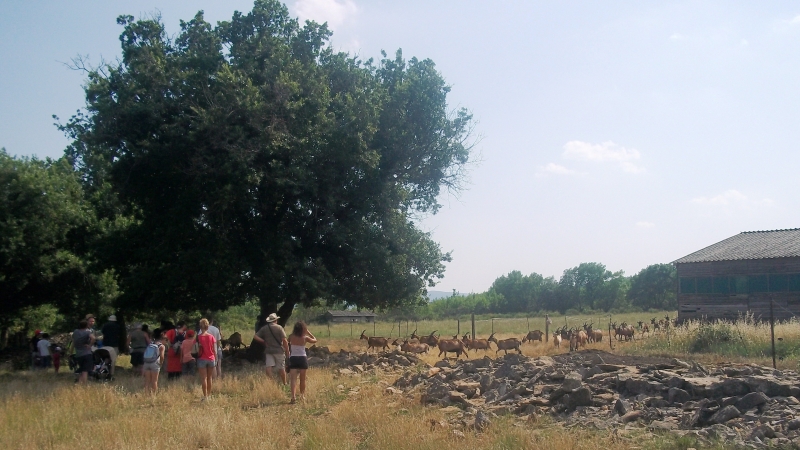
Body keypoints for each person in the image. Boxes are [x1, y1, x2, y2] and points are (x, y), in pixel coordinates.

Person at [253, 313, 289, 384]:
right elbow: (284, 340)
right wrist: (287, 350)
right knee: (281, 367)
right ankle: (284, 383)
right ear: (275, 320)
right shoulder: (279, 328)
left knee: (269, 366)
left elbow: (255, 336)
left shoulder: (264, 328)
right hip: (279, 350)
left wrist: (263, 341)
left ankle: (271, 382)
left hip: (269, 350)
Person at [287, 321, 317, 404]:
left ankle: (293, 396)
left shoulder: (291, 336)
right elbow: (315, 340)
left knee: (293, 379)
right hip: (302, 358)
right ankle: (302, 396)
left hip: (293, 358)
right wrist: (309, 333)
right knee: (302, 379)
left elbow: (287, 342)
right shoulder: (305, 338)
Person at [196, 319, 217, 401]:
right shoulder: (211, 337)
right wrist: (215, 358)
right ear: (207, 326)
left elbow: (196, 349)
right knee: (210, 377)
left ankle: (205, 396)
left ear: (200, 327)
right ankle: (209, 395)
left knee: (203, 378)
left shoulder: (198, 337)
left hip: (201, 359)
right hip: (211, 358)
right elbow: (214, 349)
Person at [143, 328, 166, 395]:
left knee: (147, 381)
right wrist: (161, 363)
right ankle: (154, 395)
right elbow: (162, 356)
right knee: (154, 381)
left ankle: (146, 394)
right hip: (155, 363)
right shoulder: (161, 346)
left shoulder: (150, 344)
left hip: (147, 363)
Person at [72, 319, 95, 384]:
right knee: (85, 371)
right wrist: (90, 345)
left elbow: (73, 340)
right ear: (86, 325)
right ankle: (83, 384)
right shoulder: (87, 332)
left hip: (78, 354)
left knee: (82, 369)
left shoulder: (75, 331)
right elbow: (93, 338)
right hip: (86, 353)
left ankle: (78, 383)